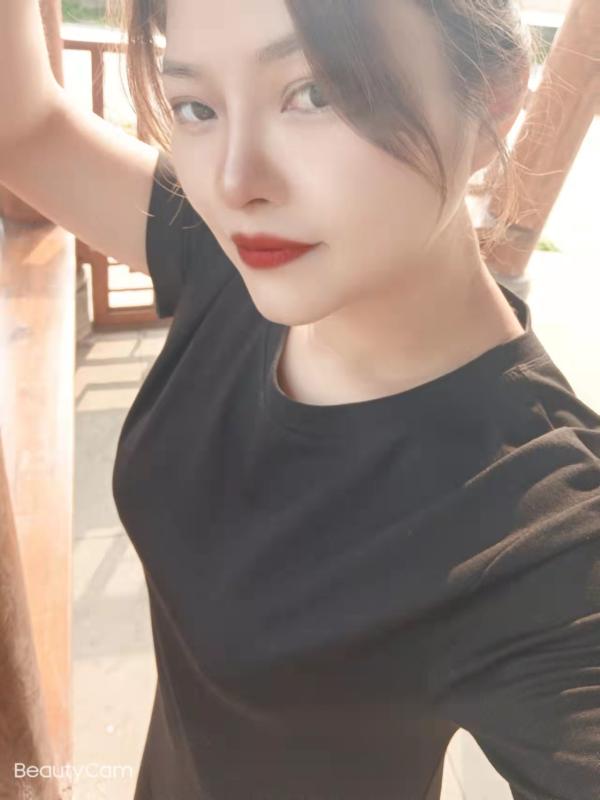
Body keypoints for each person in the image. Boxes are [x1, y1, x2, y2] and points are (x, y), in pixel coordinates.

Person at [0, 0, 599, 798]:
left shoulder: (546, 529)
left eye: (314, 93)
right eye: (196, 107)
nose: (233, 183)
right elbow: (24, 128)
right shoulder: (235, 261)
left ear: (491, 95)